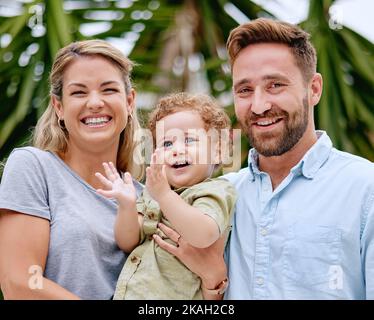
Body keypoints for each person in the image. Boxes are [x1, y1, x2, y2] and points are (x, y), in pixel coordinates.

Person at [154, 18, 374, 300]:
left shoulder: (364, 188)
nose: (258, 106)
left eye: (275, 85)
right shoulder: (216, 196)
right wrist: (213, 282)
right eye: (244, 90)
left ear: (314, 89)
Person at [0, 40, 221, 300]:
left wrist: (212, 282)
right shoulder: (34, 167)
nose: (95, 102)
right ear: (59, 107)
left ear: (129, 101)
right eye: (79, 92)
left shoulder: (151, 197)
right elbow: (22, 283)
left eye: (108, 89)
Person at [95, 92, 236, 299]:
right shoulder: (154, 191)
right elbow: (127, 242)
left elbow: (203, 235)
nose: (177, 150)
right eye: (167, 144)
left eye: (189, 140)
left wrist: (164, 195)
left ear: (217, 152)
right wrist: (127, 205)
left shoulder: (215, 191)